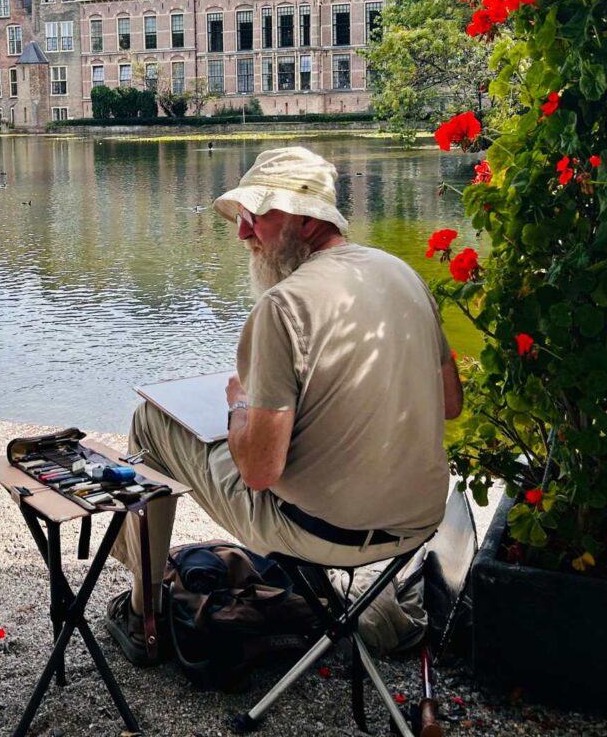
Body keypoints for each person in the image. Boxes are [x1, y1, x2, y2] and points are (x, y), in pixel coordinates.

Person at [106, 146, 463, 663]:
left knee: (152, 420)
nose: (242, 233)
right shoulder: (400, 273)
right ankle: (356, 601)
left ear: (302, 215)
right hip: (416, 518)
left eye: (255, 215)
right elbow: (450, 403)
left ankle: (145, 616)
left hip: (323, 532)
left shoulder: (283, 305)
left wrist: (239, 406)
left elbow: (257, 471)